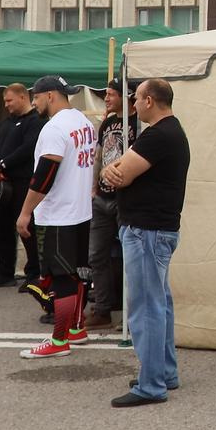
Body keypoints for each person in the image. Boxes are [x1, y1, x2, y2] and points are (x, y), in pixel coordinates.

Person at [97, 77, 188, 407]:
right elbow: (114, 172)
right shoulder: (170, 133)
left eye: (136, 98)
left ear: (150, 101)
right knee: (159, 303)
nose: (131, 103)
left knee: (146, 308)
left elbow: (120, 172)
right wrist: (113, 170)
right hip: (156, 230)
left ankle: (151, 384)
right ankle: (163, 372)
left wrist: (113, 169)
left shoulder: (158, 136)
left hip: (146, 231)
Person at [15, 76, 95, 357]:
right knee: (79, 274)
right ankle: (77, 327)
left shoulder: (54, 128)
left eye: (35, 97)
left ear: (50, 96)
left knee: (61, 278)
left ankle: (60, 340)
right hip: (82, 210)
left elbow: (44, 177)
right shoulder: (84, 122)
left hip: (59, 214)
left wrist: (25, 212)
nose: (33, 102)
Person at [0, 84, 41, 289]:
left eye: (9, 101)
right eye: (5, 101)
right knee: (3, 228)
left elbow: (27, 149)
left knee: (26, 227)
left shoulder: (35, 121)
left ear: (23, 97)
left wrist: (2, 164)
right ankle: (5, 272)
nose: (6, 105)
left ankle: (34, 273)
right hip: (3, 184)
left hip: (24, 182)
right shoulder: (6, 123)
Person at [87, 81, 127, 332]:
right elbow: (99, 155)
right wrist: (93, 186)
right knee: (97, 256)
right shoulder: (108, 123)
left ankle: (130, 313)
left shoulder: (138, 123)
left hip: (125, 199)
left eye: (112, 94)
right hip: (103, 198)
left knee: (130, 257)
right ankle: (102, 309)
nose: (107, 98)